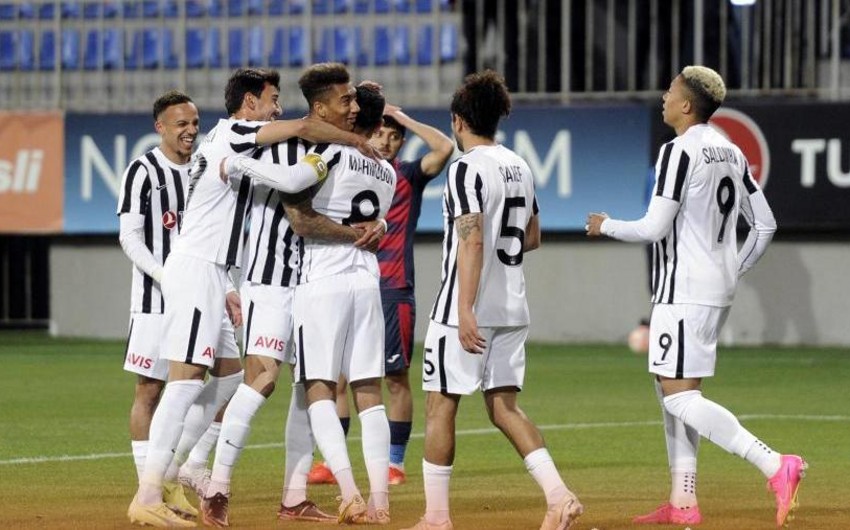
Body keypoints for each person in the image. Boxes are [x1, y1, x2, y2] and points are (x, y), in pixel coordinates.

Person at [126, 68, 370, 528]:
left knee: (227, 376)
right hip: (196, 267)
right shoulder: (235, 132)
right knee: (184, 382)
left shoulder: (236, 145)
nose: (278, 108)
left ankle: (181, 470)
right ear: (250, 103)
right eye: (272, 99)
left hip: (216, 274)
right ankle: (148, 492)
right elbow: (303, 126)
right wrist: (355, 140)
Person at [586, 65, 804, 527]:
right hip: (713, 290)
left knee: (678, 399)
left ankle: (774, 464)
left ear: (686, 105)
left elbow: (654, 228)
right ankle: (682, 501)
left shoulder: (677, 152)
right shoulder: (731, 150)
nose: (664, 97)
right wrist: (732, 269)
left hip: (683, 291)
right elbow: (765, 225)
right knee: (674, 389)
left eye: (670, 91)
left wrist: (605, 225)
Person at [199, 62, 385, 526]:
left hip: (310, 283)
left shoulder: (336, 149)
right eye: (345, 100)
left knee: (309, 390)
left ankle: (294, 496)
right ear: (321, 108)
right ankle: (215, 483)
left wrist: (379, 223)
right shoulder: (282, 143)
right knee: (262, 379)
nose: (353, 108)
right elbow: (296, 206)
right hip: (271, 278)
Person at [402, 70, 582, 530]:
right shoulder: (519, 165)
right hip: (512, 306)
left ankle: (436, 518)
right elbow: (533, 236)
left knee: (440, 405)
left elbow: (473, 240)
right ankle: (559, 496)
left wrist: (464, 308)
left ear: (458, 121)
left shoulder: (465, 169)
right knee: (504, 407)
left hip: (467, 310)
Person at [309, 104, 454, 487]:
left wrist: (403, 118)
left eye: (394, 137)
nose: (386, 142)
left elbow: (444, 148)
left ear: (401, 142)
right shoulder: (350, 168)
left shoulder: (408, 175)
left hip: (393, 288)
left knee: (394, 378)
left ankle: (395, 463)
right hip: (351, 281)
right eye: (380, 133)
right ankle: (332, 461)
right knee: (339, 377)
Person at [117, 90, 244, 522]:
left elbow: (212, 235)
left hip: (204, 288)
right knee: (150, 390)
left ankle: (169, 475)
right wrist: (164, 274)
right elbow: (130, 236)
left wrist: (228, 286)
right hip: (156, 297)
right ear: (161, 127)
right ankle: (150, 489)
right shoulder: (143, 170)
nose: (190, 131)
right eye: (181, 124)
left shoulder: (203, 167)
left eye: (194, 123)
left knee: (229, 374)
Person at [291, 78, 397, 524]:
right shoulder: (387, 171)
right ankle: (380, 502)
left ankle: (350, 493)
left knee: (318, 388)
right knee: (369, 392)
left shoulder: (330, 152)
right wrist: (379, 228)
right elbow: (377, 224)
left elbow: (301, 219)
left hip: (324, 276)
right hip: (367, 281)